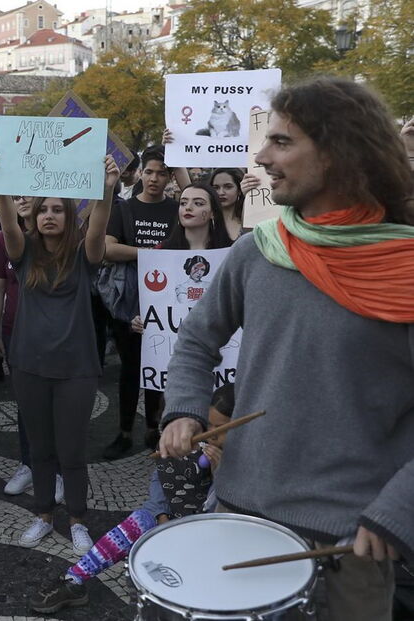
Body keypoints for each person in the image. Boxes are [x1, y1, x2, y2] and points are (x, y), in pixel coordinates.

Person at [159, 76, 414, 621]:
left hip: (351, 538)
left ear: (338, 152)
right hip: (239, 511)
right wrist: (182, 408)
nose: (260, 155)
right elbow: (198, 339)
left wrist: (399, 509)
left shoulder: (406, 269)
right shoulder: (259, 251)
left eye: (282, 142)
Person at [0, 152, 119, 554]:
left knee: (72, 452)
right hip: (29, 365)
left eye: (57, 210)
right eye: (43, 209)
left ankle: (78, 520)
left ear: (69, 215)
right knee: (40, 450)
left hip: (76, 369)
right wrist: (3, 179)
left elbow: (98, 230)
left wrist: (108, 188)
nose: (48, 215)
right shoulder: (22, 250)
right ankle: (43, 515)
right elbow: (9, 223)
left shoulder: (84, 254)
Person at [31, 384, 233, 614]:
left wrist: (221, 473)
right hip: (166, 512)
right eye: (210, 424)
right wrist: (160, 516)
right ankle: (74, 579)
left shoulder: (234, 457)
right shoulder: (181, 439)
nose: (213, 432)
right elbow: (161, 478)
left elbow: (222, 515)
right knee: (132, 526)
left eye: (221, 427)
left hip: (203, 527)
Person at [101, 145, 180, 459]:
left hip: (166, 301)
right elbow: (108, 248)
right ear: (140, 173)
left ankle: (152, 427)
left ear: (170, 176)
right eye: (149, 172)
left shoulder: (176, 209)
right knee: (130, 369)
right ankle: (123, 432)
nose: (155, 178)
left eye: (162, 173)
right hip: (129, 300)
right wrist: (150, 254)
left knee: (160, 367)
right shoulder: (124, 209)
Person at [0, 193, 61, 501]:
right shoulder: (6, 239)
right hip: (16, 332)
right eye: (16, 196)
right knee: (27, 403)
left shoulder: (58, 237)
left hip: (55, 336)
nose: (24, 199)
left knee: (54, 404)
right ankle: (28, 465)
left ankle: (55, 470)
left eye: (29, 193)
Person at [209, 168, 245, 240]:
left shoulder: (248, 220)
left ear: (239, 190)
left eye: (228, 187)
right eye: (216, 188)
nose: (221, 193)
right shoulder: (205, 220)